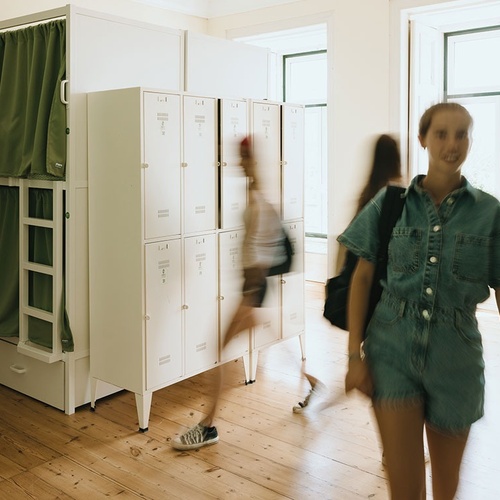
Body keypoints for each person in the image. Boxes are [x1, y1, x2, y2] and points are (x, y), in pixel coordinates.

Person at [339, 102, 500, 499]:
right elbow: (361, 279)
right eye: (442, 133)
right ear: (422, 139)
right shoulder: (391, 203)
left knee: (447, 488)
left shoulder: (490, 213)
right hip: (391, 350)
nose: (452, 144)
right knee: (405, 491)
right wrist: (355, 357)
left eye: (461, 133)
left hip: (456, 359)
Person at [171, 136, 287, 451]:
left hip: (253, 289)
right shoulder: (256, 192)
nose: (237, 161)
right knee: (269, 334)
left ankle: (208, 426)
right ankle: (311, 382)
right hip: (251, 288)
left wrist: (250, 297)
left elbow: (262, 254)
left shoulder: (260, 198)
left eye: (241, 156)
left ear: (249, 158)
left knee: (217, 350)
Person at [292, 133, 402, 414]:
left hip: (365, 294)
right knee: (382, 370)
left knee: (373, 365)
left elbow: (348, 245)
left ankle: (334, 396)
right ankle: (389, 445)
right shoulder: (397, 195)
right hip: (386, 295)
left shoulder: (368, 194)